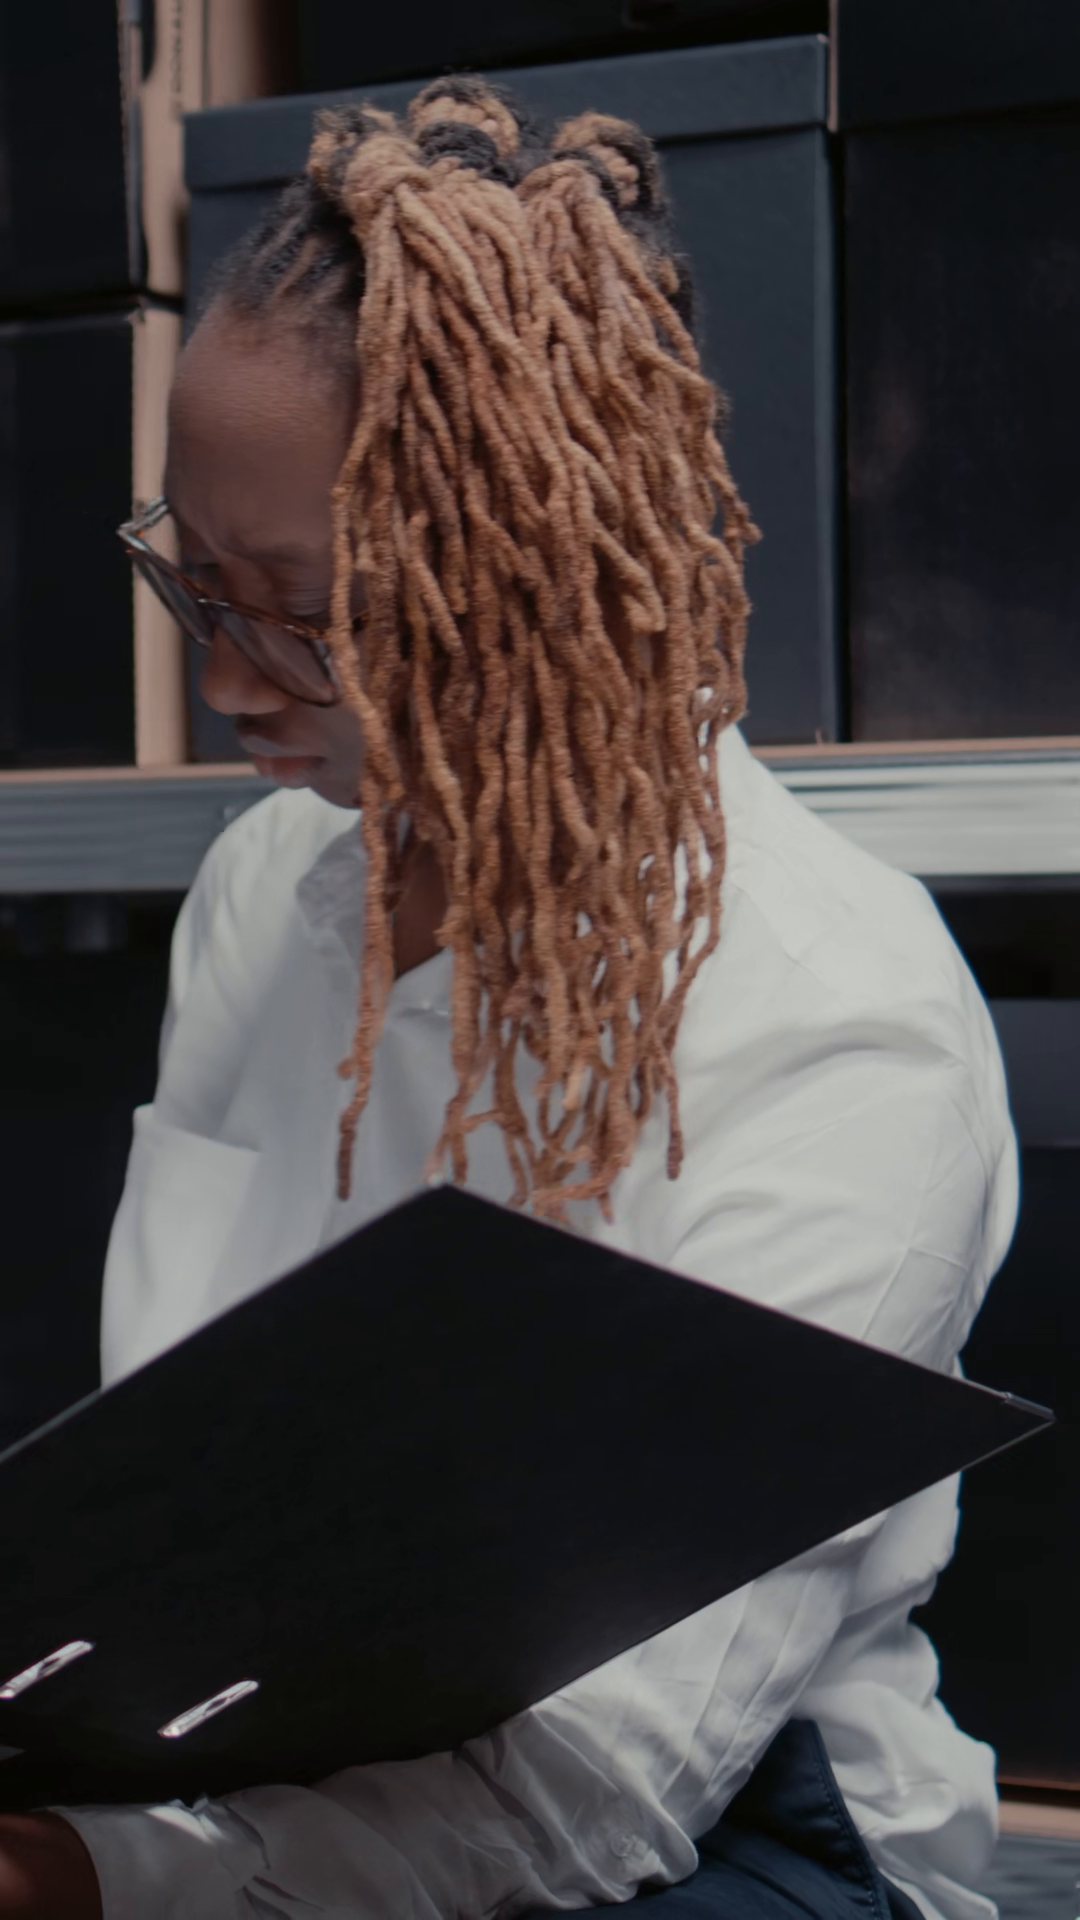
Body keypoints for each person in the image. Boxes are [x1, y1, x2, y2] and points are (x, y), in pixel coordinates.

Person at [0, 78, 1017, 1920]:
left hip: (723, 1832)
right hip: (254, 1742)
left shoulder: (839, 1028)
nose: (225, 682)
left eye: (302, 612)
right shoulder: (266, 885)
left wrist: (95, 1878)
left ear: (533, 572)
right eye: (192, 580)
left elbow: (598, 1796)